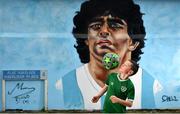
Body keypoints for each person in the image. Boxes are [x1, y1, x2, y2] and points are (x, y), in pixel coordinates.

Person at [59, 0, 161, 109]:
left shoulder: (151, 87)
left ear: (133, 42)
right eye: (96, 25)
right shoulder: (65, 85)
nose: (104, 31)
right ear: (86, 39)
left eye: (114, 25)